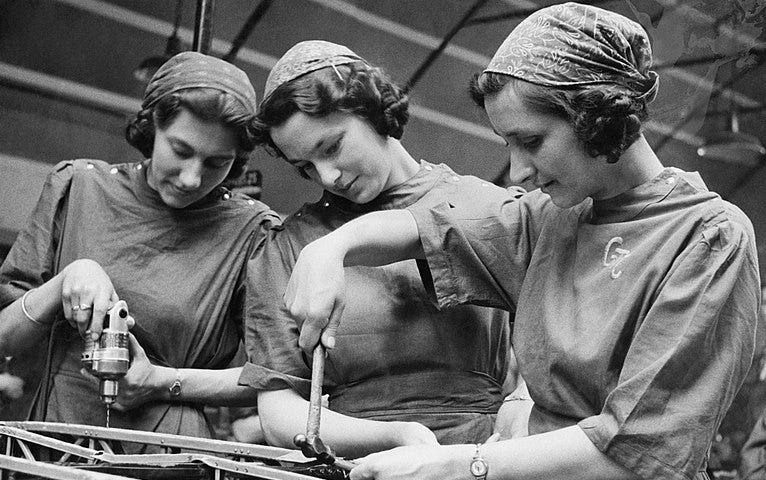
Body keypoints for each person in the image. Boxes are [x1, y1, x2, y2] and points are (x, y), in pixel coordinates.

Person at [280, 4, 761, 480]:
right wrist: (331, 249)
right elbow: (432, 225)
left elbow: (636, 453)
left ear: (599, 118)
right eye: (506, 144)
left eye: (531, 141)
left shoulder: (707, 238)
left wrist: (461, 464)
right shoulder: (547, 219)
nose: (518, 171)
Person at [237, 40, 523, 457]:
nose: (328, 176)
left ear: (373, 111)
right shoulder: (288, 245)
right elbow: (280, 413)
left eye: (331, 147)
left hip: (482, 456)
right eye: (305, 167)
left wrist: (520, 413)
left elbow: (558, 353)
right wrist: (395, 437)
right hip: (357, 463)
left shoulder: (486, 206)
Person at [0, 51, 280, 439]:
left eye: (218, 163)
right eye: (180, 151)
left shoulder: (252, 232)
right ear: (151, 127)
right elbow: (4, 339)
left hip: (168, 452)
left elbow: (274, 377)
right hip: (54, 434)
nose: (191, 178)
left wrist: (162, 381)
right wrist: (66, 280)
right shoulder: (78, 188)